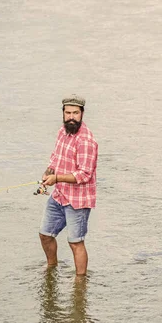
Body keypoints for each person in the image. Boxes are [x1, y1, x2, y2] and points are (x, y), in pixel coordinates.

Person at [39, 94, 98, 275]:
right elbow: (55, 158)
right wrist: (48, 175)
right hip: (59, 195)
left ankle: (80, 283)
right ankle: (51, 268)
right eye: (68, 113)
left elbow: (84, 174)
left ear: (82, 114)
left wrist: (57, 178)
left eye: (75, 113)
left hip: (78, 201)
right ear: (63, 113)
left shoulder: (86, 140)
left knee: (75, 242)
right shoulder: (61, 132)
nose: (71, 117)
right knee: (45, 235)